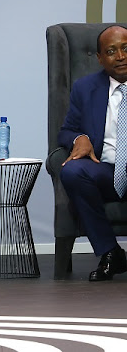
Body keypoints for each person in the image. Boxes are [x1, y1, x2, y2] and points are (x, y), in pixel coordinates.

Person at [58, 24, 127, 281]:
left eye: (126, 48)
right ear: (100, 58)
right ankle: (110, 251)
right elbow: (65, 131)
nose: (120, 56)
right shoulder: (85, 88)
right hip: (107, 171)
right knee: (74, 170)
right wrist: (81, 138)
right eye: (111, 51)